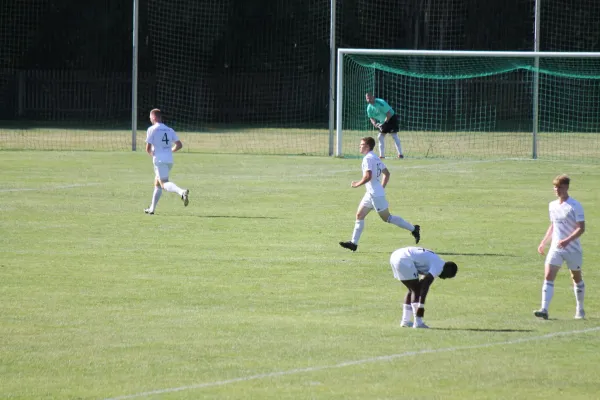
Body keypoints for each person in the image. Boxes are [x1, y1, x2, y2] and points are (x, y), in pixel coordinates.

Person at [339, 137, 420, 252]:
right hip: (372, 193)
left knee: (387, 218)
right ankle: (353, 243)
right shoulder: (375, 157)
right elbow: (386, 174)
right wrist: (380, 188)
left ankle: (414, 228)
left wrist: (357, 184)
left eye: (361, 144)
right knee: (359, 215)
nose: (359, 146)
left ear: (367, 146)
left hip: (375, 195)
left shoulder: (368, 159)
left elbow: (368, 176)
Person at [534, 174, 586, 320]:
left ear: (567, 187)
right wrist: (544, 242)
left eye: (560, 187)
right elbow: (553, 225)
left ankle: (580, 309)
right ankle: (544, 309)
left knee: (576, 278)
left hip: (572, 249)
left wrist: (567, 240)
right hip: (556, 248)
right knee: (548, 276)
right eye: (555, 187)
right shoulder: (552, 205)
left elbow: (581, 228)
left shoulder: (575, 206)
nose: (557, 190)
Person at [390, 247, 458, 329]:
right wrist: (421, 307)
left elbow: (422, 282)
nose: (444, 278)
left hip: (396, 255)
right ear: (448, 270)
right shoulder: (439, 267)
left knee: (412, 289)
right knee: (416, 290)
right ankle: (418, 323)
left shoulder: (436, 261)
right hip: (404, 259)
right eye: (447, 276)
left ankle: (405, 321)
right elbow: (425, 286)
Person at [144, 109, 189, 215]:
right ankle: (152, 209)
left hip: (159, 160)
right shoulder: (169, 129)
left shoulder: (151, 129)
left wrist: (153, 156)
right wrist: (170, 151)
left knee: (163, 183)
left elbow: (148, 148)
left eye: (150, 117)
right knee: (157, 183)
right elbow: (179, 145)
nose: (150, 119)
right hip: (169, 160)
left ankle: (181, 192)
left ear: (154, 117)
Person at [366, 92, 404, 159]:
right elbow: (371, 118)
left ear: (373, 97)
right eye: (367, 98)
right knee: (380, 137)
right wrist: (375, 124)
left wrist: (384, 124)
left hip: (391, 118)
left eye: (370, 97)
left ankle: (400, 154)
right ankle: (381, 156)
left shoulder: (381, 102)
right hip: (383, 121)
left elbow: (388, 114)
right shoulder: (369, 107)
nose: (369, 99)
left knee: (394, 135)